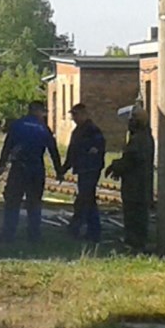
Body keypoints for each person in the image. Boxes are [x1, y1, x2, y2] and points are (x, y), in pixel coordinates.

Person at [0, 101, 63, 242]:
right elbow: (53, 150)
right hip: (36, 169)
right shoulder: (44, 128)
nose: (44, 115)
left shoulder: (18, 125)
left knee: (13, 201)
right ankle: (34, 236)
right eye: (43, 112)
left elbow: (7, 145)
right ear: (38, 111)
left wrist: (2, 164)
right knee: (34, 203)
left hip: (18, 168)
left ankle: (8, 234)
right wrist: (59, 170)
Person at [105, 106, 155, 250]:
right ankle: (135, 242)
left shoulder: (139, 139)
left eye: (132, 120)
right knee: (136, 214)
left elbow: (131, 159)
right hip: (140, 184)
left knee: (134, 215)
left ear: (138, 122)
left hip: (136, 185)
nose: (129, 123)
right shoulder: (144, 137)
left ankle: (135, 243)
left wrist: (115, 166)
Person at [61, 103, 105, 242]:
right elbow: (72, 152)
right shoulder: (77, 131)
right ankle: (91, 232)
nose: (74, 118)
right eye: (73, 115)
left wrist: (91, 159)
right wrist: (64, 169)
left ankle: (79, 229)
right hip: (83, 169)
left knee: (84, 199)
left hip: (90, 170)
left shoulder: (93, 131)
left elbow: (98, 150)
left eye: (76, 115)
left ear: (84, 114)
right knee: (88, 200)